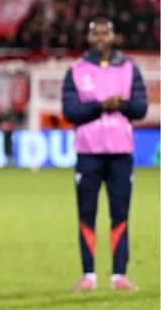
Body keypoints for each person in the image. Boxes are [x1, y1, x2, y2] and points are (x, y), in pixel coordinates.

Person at [61, 17, 147, 293]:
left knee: (120, 214)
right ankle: (88, 276)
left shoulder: (129, 68)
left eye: (105, 33)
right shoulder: (76, 70)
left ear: (113, 37)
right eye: (95, 33)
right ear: (88, 38)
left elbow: (141, 107)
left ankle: (119, 276)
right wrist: (101, 106)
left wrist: (119, 104)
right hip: (88, 153)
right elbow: (70, 111)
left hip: (121, 152)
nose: (100, 38)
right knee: (87, 215)